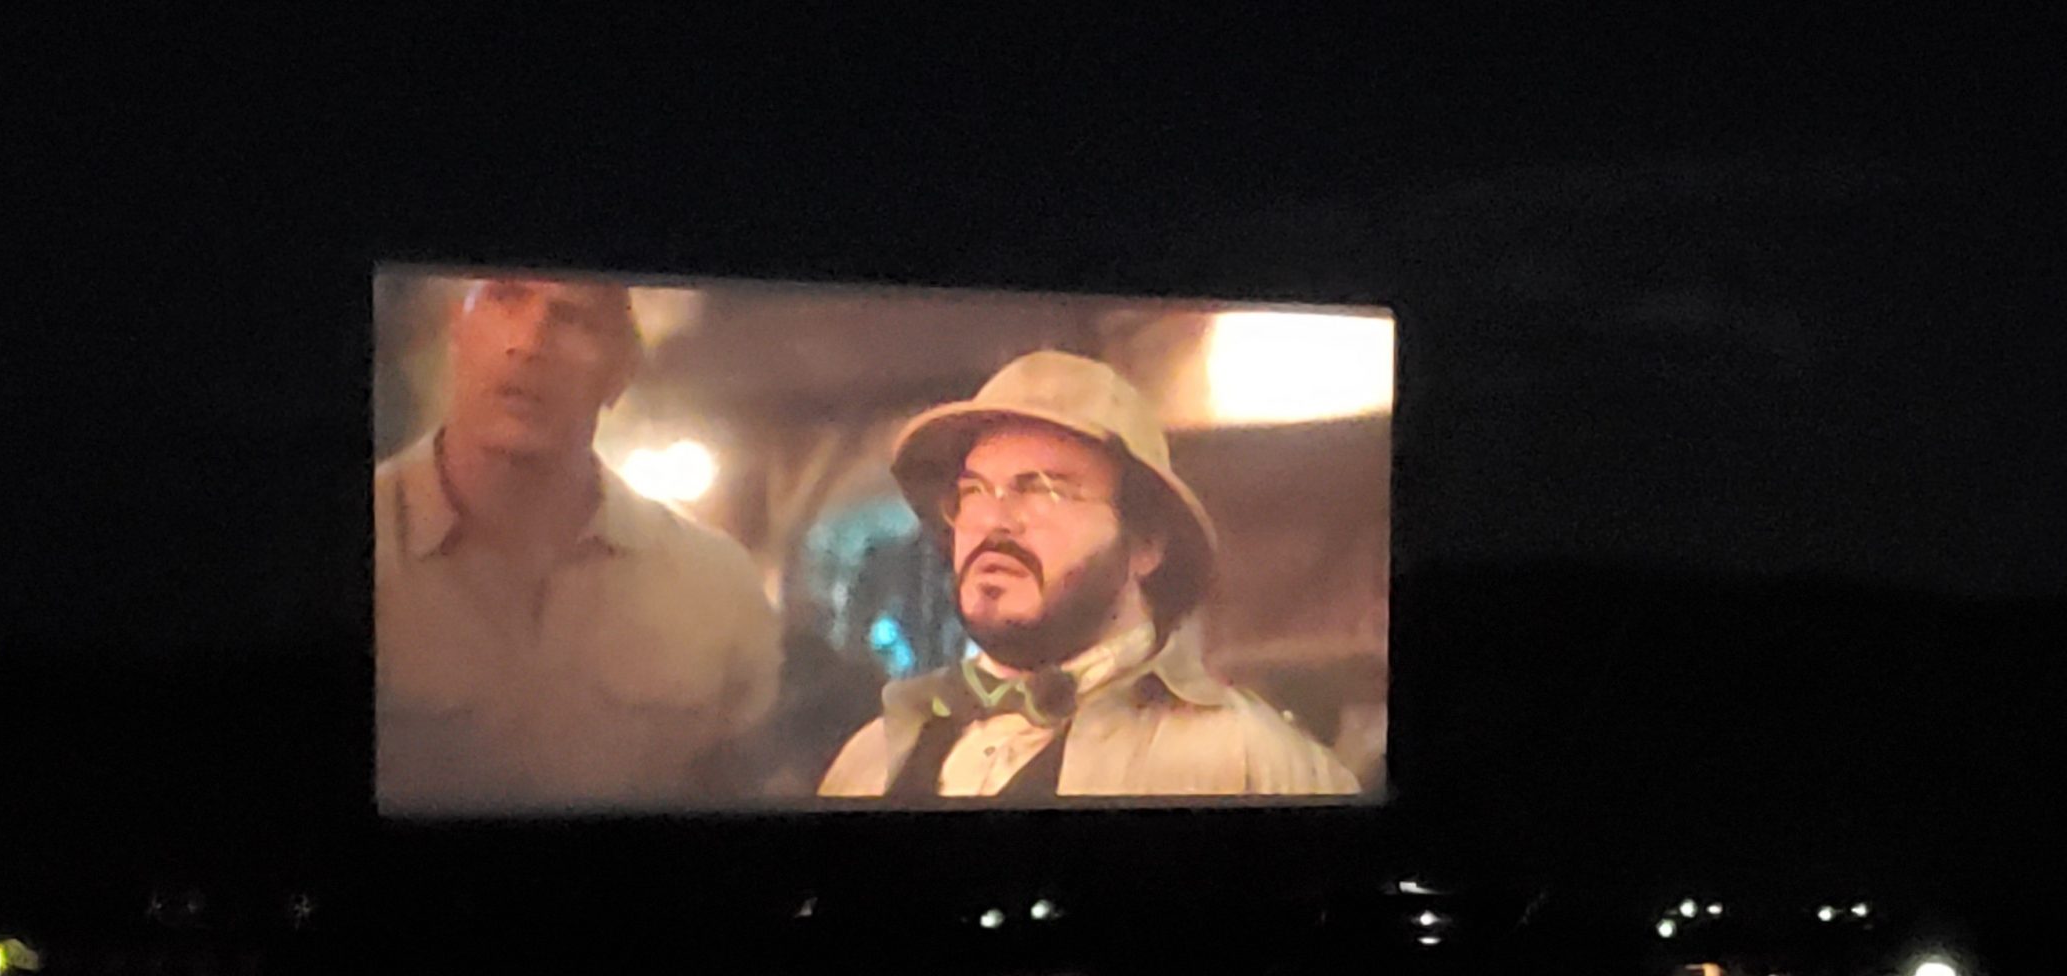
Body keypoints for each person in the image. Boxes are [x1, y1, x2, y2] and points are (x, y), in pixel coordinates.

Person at [817, 351, 1358, 800]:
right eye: (974, 490)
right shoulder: (871, 759)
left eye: (1045, 488)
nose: (995, 518)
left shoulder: (1246, 765)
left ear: (1146, 543)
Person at [375, 275, 781, 810]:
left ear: (620, 372)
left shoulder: (716, 588)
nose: (529, 343)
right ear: (458, 327)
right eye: (504, 297)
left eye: (573, 317)